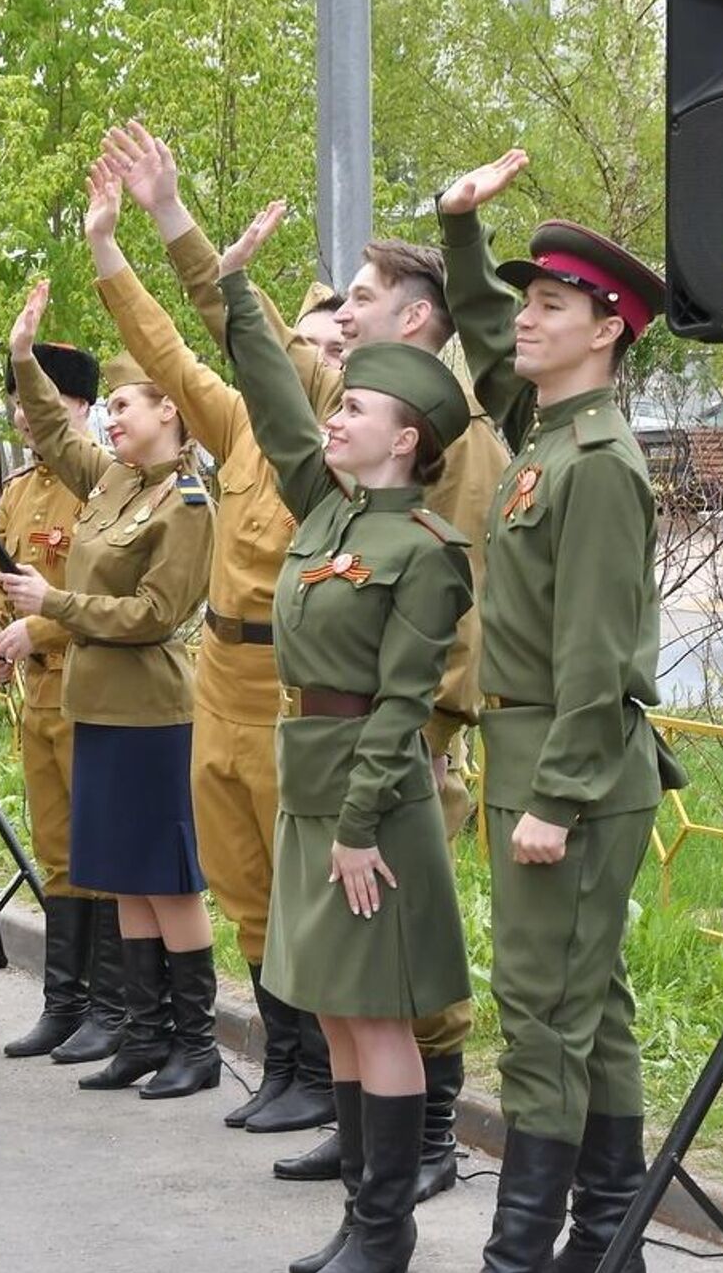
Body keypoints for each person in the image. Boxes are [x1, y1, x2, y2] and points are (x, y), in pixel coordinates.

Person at [103, 119, 503, 1199]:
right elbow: (263, 368)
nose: (342, 314)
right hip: (318, 729)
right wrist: (181, 232)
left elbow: (447, 616)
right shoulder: (350, 440)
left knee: (404, 958)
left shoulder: (449, 441)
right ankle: (359, 1131)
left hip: (404, 737)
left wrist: (420, 749)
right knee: (327, 950)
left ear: (416, 319)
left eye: (362, 300)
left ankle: (424, 1143)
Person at [434, 149, 685, 1273]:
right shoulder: (546, 436)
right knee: (594, 1003)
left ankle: (522, 1251)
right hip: (539, 753)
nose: (523, 320)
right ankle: (610, 1237)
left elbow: (601, 657)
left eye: (550, 306)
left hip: (570, 770)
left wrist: (558, 797)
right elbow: (489, 345)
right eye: (525, 301)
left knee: (541, 1008)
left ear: (608, 328)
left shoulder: (600, 465)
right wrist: (459, 235)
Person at [221, 199, 475, 1273]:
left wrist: (362, 825)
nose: (336, 414)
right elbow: (278, 401)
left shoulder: (425, 548)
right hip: (311, 787)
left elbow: (401, 702)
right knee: (331, 1013)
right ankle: (356, 1220)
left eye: (356, 404)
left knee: (376, 1019)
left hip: (370, 805)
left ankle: (387, 1229)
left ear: (405, 436)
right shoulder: (327, 514)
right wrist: (233, 288)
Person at [83, 155, 338, 1136]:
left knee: (295, 885)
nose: (287, 350)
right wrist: (112, 243)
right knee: (242, 887)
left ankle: (319, 1067)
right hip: (221, 677)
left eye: (312, 342)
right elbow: (166, 346)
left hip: (290, 678)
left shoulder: (332, 459)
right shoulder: (237, 433)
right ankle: (284, 1062)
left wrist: (197, 245)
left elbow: (245, 336)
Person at [0, 278, 218, 1100]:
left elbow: (157, 613)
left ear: (171, 410)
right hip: (96, 708)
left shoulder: (187, 501)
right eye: (114, 406)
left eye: (127, 404)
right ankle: (142, 1031)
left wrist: (54, 604)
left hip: (151, 714)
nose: (114, 418)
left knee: (166, 878)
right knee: (124, 874)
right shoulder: (116, 482)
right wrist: (23, 357)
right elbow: (56, 430)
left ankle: (194, 1043)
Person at [0, 343, 127, 1065]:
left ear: (81, 410)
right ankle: (64, 1003)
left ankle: (114, 1005)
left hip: (94, 682)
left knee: (104, 849)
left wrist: (41, 627)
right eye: (21, 405)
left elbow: (119, 594)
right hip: (39, 693)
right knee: (57, 849)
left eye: (44, 406)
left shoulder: (106, 485)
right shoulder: (21, 489)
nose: (27, 419)